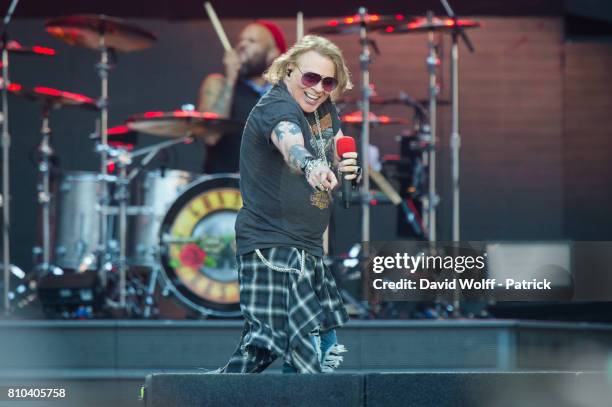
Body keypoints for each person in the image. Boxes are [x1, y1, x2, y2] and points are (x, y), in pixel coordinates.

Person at [215, 35, 360, 374]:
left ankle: (182, 396)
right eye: (310, 78)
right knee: (308, 352)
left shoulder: (323, 109)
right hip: (273, 248)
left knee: (261, 349)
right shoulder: (276, 107)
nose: (318, 88)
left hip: (306, 249)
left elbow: (337, 145)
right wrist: (310, 164)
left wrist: (345, 166)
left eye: (328, 81)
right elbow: (289, 141)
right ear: (289, 70)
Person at [197, 20, 287, 173]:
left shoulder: (286, 96)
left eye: (251, 41)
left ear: (273, 53)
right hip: (224, 190)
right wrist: (231, 79)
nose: (242, 45)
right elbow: (210, 137)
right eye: (240, 40)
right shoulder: (218, 84)